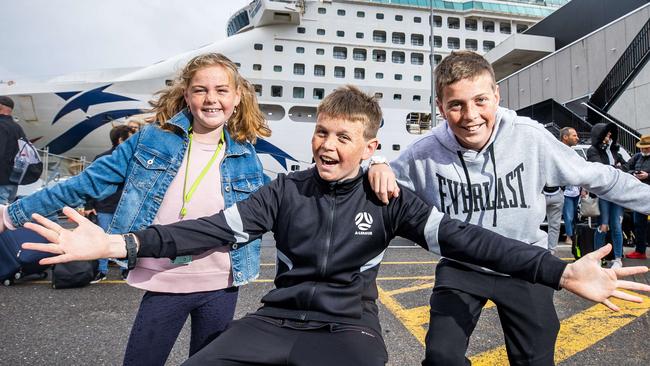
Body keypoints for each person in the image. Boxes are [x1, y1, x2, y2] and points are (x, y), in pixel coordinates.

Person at [22, 86, 650, 366]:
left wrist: (559, 269)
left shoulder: (391, 199)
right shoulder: (283, 191)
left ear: (369, 146)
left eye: (342, 137)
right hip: (273, 321)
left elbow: (469, 240)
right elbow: (207, 230)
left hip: (349, 329)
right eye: (321, 132)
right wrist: (116, 241)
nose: (325, 144)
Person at [368, 50, 650, 366]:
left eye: (480, 101)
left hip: (526, 263)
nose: (470, 114)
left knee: (535, 359)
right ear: (440, 108)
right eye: (456, 105)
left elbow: (602, 178)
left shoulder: (529, 138)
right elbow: (373, 185)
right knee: (441, 357)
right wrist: (376, 163)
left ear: (496, 95)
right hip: (463, 267)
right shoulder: (424, 154)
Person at [0, 53, 271, 365]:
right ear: (186, 95)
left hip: (223, 284)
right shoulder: (151, 140)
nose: (211, 99)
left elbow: (272, 208)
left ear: (237, 97)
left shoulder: (246, 154)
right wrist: (9, 216)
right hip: (165, 279)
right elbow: (84, 183)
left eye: (222, 90)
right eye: (200, 90)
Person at [85, 124, 134, 282]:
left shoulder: (132, 157)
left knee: (118, 239)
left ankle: (107, 271)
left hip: (115, 205)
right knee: (116, 239)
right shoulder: (105, 158)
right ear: (121, 140)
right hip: (113, 205)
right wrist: (89, 205)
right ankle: (112, 270)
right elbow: (91, 181)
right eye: (131, 136)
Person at [586, 122, 627, 269]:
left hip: (616, 194)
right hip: (603, 193)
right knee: (603, 225)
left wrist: (619, 167)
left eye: (610, 134)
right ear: (600, 134)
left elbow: (626, 166)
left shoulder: (615, 150)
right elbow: (599, 168)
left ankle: (617, 258)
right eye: (606, 133)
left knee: (616, 225)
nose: (609, 136)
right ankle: (598, 258)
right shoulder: (592, 150)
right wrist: (616, 168)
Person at [624, 134, 650, 260]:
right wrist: (633, 173)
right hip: (639, 195)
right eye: (642, 148)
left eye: (646, 148)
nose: (644, 150)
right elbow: (625, 168)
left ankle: (641, 250)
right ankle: (640, 251)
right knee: (638, 223)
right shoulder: (637, 157)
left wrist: (648, 176)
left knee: (640, 222)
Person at [0, 96, 27, 205]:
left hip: (1, 179)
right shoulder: (17, 128)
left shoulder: (1, 126)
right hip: (14, 178)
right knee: (7, 213)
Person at [560, 127, 580, 245]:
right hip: (565, 191)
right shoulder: (559, 152)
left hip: (575, 190)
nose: (577, 138)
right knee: (568, 215)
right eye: (574, 135)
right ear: (565, 137)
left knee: (574, 215)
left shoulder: (573, 153)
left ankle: (572, 235)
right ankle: (569, 236)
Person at [543, 185, 563, 255]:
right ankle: (551, 253)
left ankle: (551, 253)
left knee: (554, 226)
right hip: (553, 192)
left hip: (543, 193)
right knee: (554, 226)